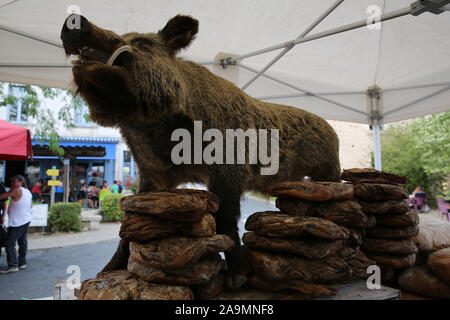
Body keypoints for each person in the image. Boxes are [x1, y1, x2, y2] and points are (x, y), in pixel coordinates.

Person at [0, 175, 32, 274]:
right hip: (25, 220)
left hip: (17, 222)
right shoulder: (27, 191)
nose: (13, 184)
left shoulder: (16, 190)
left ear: (21, 182)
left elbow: (2, 196)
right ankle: (22, 262)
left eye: (15, 182)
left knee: (9, 243)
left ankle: (13, 265)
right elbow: (31, 205)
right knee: (22, 242)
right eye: (12, 182)